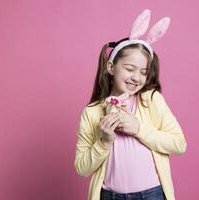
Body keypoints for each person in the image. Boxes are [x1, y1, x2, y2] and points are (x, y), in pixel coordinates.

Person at [74, 9, 187, 200]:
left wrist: (138, 128)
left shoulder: (151, 100)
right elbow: (82, 169)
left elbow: (179, 144)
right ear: (111, 67)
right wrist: (104, 142)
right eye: (129, 69)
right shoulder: (92, 112)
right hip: (109, 196)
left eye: (143, 72)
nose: (137, 77)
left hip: (152, 195)